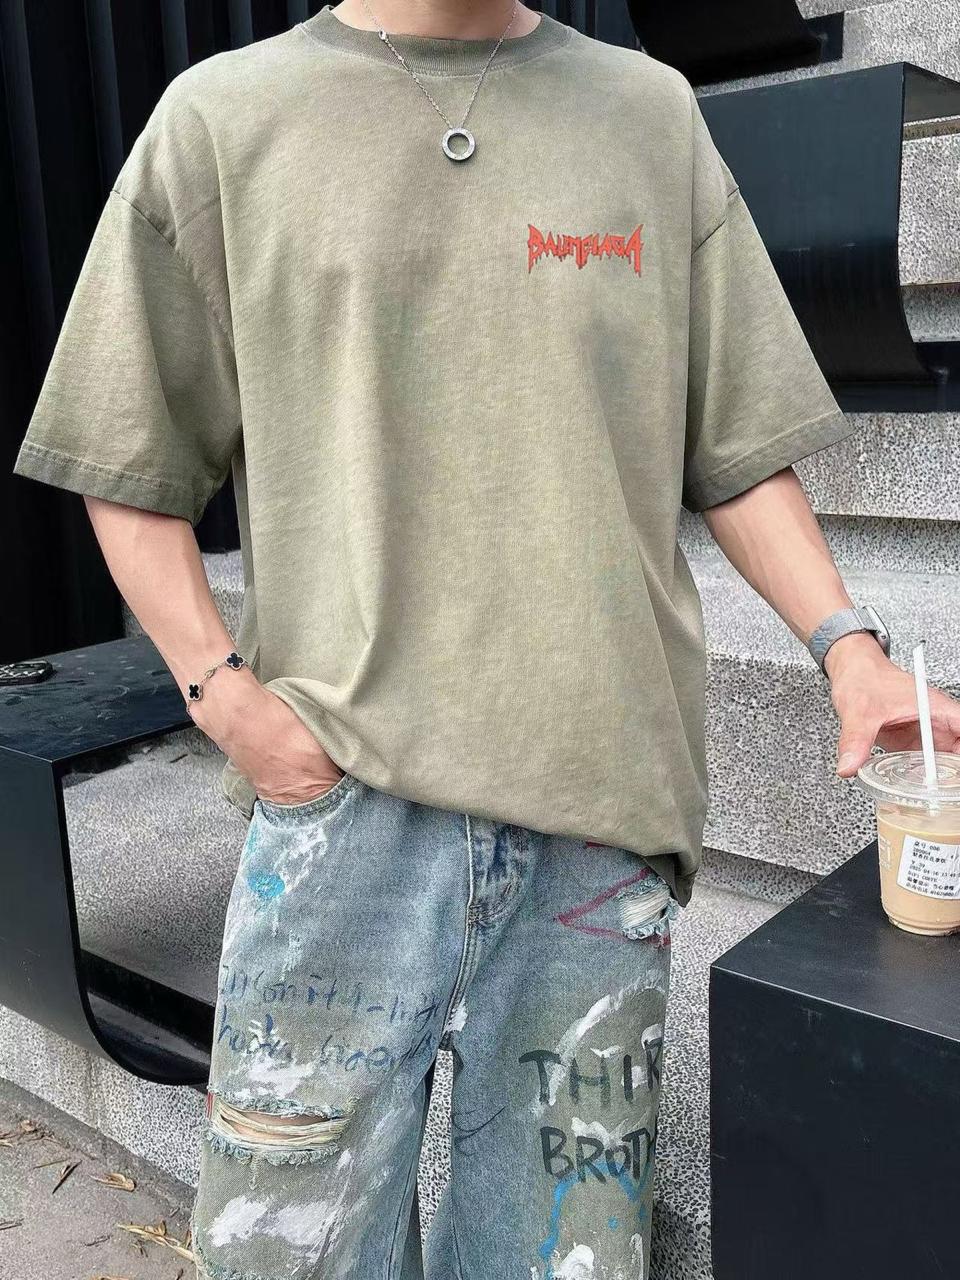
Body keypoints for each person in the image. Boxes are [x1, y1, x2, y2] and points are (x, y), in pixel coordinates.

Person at [12, 1, 960, 1276]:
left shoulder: (649, 116)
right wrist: (222, 694)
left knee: (561, 1257)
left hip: (599, 815)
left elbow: (736, 443)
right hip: (341, 809)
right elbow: (124, 451)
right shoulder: (224, 122)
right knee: (292, 1255)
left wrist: (849, 647)